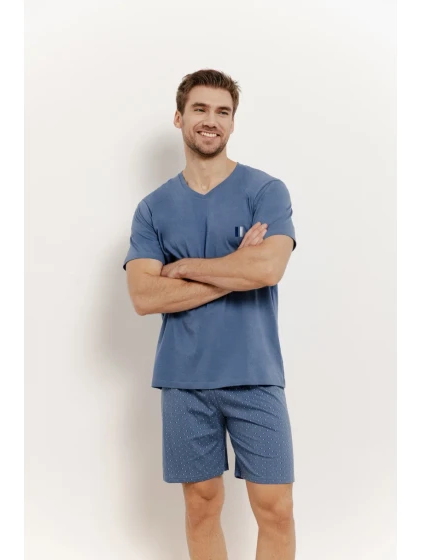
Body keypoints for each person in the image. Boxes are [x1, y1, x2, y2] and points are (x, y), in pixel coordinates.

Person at [123, 69, 297, 560]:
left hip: (255, 375)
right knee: (200, 506)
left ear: (233, 123)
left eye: (223, 112)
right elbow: (144, 296)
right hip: (184, 380)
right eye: (200, 109)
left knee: (276, 508)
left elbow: (268, 268)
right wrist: (233, 268)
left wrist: (184, 268)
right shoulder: (153, 208)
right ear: (179, 117)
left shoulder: (266, 191)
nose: (211, 120)